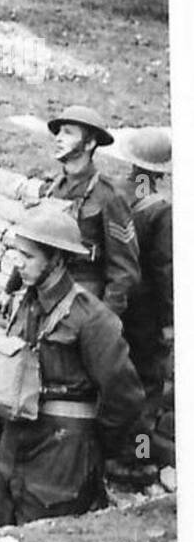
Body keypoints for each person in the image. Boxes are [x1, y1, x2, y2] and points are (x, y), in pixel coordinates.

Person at [0, 206, 146, 528]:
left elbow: (126, 397)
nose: (19, 265)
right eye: (17, 255)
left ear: (56, 259)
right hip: (13, 446)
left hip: (60, 457)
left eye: (28, 257)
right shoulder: (24, 303)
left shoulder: (91, 318)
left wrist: (92, 445)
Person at [110, 126, 174, 468]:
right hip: (146, 314)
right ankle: (137, 460)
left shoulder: (117, 193)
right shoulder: (160, 210)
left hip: (116, 302)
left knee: (117, 380)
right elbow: (165, 271)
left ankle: (108, 450)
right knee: (147, 388)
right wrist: (169, 322)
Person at [42, 105, 140, 317]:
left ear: (90, 143)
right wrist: (10, 289)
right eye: (58, 132)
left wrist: (103, 320)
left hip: (84, 301)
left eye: (68, 132)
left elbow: (124, 272)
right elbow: (34, 247)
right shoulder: (51, 190)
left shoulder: (110, 197)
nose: (58, 137)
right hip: (47, 294)